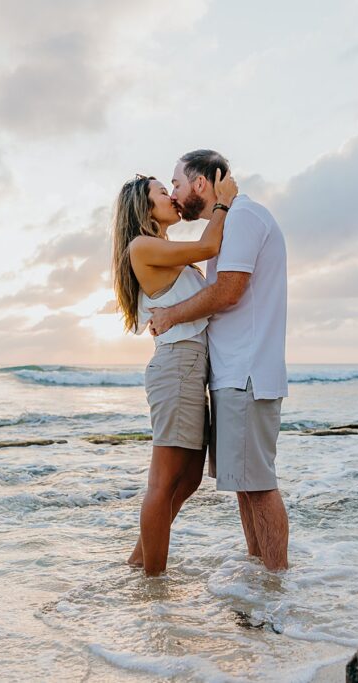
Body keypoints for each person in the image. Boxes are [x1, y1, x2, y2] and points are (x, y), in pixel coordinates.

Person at [148, 149, 289, 571]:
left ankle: (277, 582)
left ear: (201, 183)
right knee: (247, 487)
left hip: (246, 373)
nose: (173, 194)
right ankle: (261, 582)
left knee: (258, 486)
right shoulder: (228, 223)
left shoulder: (244, 217)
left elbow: (229, 290)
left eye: (176, 183)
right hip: (234, 374)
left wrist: (170, 315)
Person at [110, 169, 238, 576]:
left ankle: (138, 562)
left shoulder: (158, 246)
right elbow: (208, 245)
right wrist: (222, 202)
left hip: (188, 367)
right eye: (163, 193)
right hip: (176, 365)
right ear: (144, 207)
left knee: (189, 481)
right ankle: (154, 583)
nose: (171, 198)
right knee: (164, 481)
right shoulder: (142, 246)